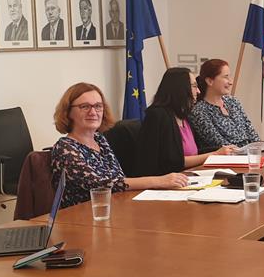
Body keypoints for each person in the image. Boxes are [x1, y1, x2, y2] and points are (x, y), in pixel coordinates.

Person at [50, 83, 188, 209]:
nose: (93, 112)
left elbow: (119, 177)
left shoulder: (100, 139)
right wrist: (158, 181)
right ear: (68, 112)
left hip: (114, 210)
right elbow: (103, 184)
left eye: (98, 106)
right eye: (85, 107)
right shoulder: (65, 148)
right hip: (80, 220)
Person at [134, 68, 236, 176]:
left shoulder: (183, 116)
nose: (198, 91)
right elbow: (171, 162)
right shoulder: (158, 115)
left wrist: (221, 150)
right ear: (180, 88)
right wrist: (215, 154)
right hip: (165, 182)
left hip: (188, 176)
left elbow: (196, 151)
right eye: (194, 86)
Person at [189, 59, 260, 151]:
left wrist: (260, 149)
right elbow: (221, 145)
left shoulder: (232, 101)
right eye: (226, 77)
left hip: (250, 155)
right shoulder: (199, 111)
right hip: (229, 159)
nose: (230, 82)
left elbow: (251, 131)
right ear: (210, 81)